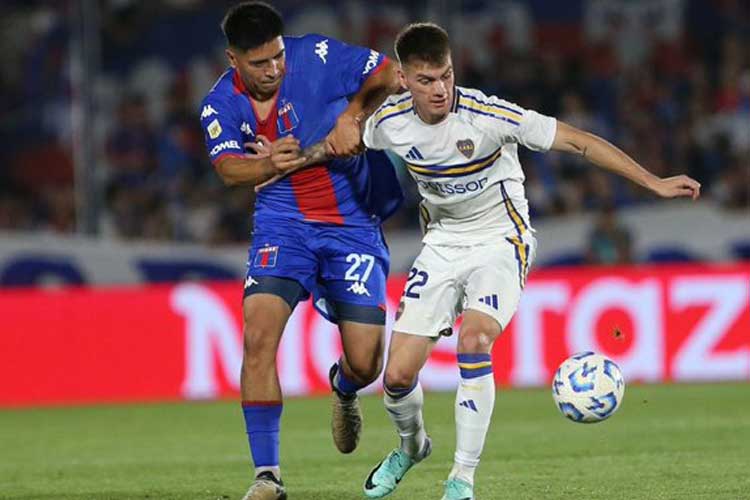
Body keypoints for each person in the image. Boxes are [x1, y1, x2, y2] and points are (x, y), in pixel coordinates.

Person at [361, 23, 701, 500]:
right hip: (440, 245)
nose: (440, 89)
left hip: (503, 239)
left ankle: (461, 480)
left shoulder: (489, 114)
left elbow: (580, 142)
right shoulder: (386, 123)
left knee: (475, 339)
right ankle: (411, 447)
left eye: (446, 75)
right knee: (396, 377)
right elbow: (340, 143)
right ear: (403, 79)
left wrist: (654, 182)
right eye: (426, 80)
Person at [198, 3, 402, 499]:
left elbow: (389, 72)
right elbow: (228, 171)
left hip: (351, 222)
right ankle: (267, 476)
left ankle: (344, 387)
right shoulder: (219, 103)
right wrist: (270, 167)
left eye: (276, 58)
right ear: (233, 60)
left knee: (366, 362)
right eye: (259, 64)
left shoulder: (316, 55)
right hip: (282, 224)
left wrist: (353, 116)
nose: (273, 70)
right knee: (257, 335)